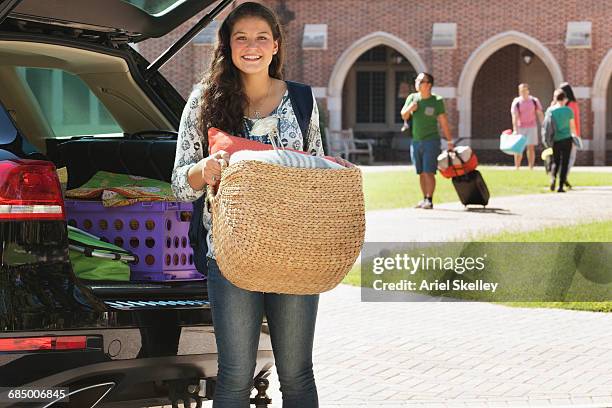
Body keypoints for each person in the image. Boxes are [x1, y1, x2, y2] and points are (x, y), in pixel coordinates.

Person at [171, 3, 323, 407]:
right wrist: (204, 169)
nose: (251, 46)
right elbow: (178, 186)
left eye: (261, 38)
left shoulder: (304, 102)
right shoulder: (204, 100)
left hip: (294, 256)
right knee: (235, 376)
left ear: (275, 45)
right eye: (241, 37)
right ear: (228, 45)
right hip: (230, 256)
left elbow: (318, 177)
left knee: (298, 377)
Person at [400, 72, 453, 209]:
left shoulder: (436, 101)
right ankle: (424, 199)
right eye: (417, 80)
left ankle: (429, 199)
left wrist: (449, 141)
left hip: (431, 141)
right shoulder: (412, 98)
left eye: (421, 80)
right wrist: (411, 108)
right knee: (421, 172)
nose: (417, 82)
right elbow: (403, 115)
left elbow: (443, 122)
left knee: (429, 171)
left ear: (428, 85)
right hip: (416, 141)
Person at [546, 89, 579, 193]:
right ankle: (560, 186)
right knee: (565, 162)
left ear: (556, 99)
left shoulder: (551, 111)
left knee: (555, 161)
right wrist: (575, 137)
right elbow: (572, 126)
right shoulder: (568, 111)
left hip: (556, 139)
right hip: (567, 139)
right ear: (564, 99)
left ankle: (553, 180)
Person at [510, 83, 544, 170]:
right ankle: (517, 167)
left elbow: (539, 113)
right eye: (521, 91)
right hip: (520, 127)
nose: (523, 92)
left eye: (524, 90)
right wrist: (515, 130)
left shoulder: (534, 101)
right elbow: (515, 116)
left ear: (528, 91)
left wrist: (543, 124)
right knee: (519, 148)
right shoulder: (517, 102)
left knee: (531, 147)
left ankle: (531, 167)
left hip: (532, 126)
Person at [559, 82, 580, 189]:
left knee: (562, 158)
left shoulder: (558, 105)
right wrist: (576, 135)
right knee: (570, 158)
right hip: (572, 134)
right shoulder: (573, 105)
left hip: (560, 135)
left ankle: (561, 177)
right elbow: (575, 121)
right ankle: (564, 177)